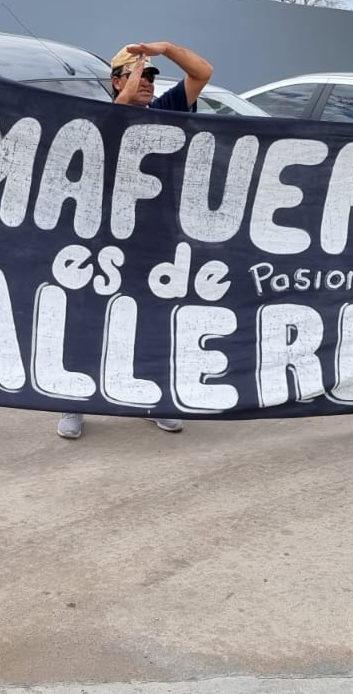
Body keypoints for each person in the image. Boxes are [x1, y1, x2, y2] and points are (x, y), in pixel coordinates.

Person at [55, 40, 213, 440]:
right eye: (139, 74)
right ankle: (75, 401)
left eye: (152, 76)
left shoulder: (168, 110)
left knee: (153, 318)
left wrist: (163, 50)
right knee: (90, 318)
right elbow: (112, 123)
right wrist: (127, 91)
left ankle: (153, 397)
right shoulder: (99, 117)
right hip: (103, 237)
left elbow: (202, 73)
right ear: (116, 81)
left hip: (156, 236)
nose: (148, 82)